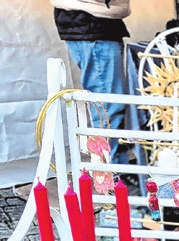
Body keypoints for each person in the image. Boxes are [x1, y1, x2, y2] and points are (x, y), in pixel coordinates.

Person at [51, 0, 130, 161]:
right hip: (92, 24)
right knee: (107, 106)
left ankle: (113, 170)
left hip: (93, 23)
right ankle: (110, 173)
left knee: (107, 105)